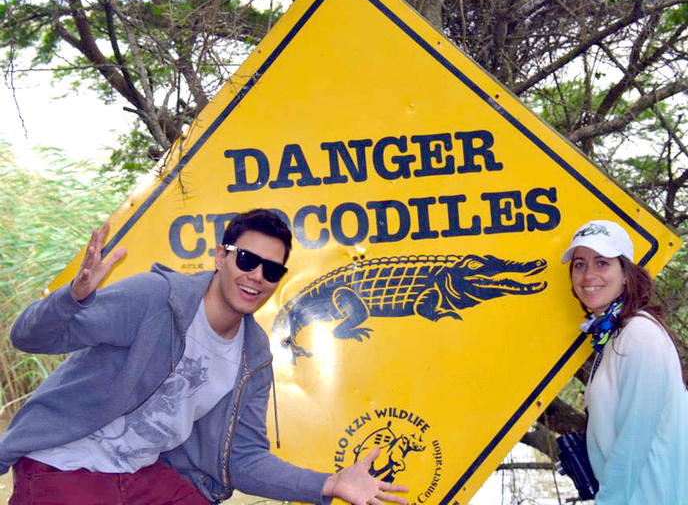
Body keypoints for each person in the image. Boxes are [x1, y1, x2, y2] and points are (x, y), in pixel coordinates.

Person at [1, 209, 408, 505]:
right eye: (247, 260)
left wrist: (331, 483)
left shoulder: (253, 355)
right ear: (220, 256)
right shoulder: (156, 299)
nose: (256, 277)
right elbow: (29, 337)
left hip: (140, 477)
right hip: (63, 467)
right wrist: (72, 298)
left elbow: (243, 459)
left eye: (272, 271)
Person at [561, 220, 688, 505]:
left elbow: (633, 444)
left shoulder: (639, 335)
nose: (588, 275)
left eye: (602, 263)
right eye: (580, 264)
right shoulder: (614, 336)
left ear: (625, 273)